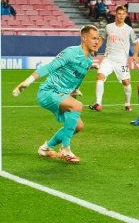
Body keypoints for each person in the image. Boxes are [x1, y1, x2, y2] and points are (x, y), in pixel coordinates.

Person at [12, 25, 100, 163]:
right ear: (84, 38)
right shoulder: (71, 52)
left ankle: (46, 148)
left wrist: (75, 90)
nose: (97, 41)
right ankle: (65, 148)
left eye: (98, 39)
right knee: (77, 106)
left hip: (61, 94)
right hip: (48, 91)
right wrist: (28, 81)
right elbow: (50, 66)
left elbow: (78, 78)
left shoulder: (88, 61)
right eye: (93, 38)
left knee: (78, 126)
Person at [89, 5, 139, 112]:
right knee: (100, 76)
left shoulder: (129, 29)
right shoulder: (109, 27)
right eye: (119, 14)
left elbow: (136, 44)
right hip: (108, 58)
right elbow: (102, 38)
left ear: (125, 15)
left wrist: (135, 56)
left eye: (123, 14)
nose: (121, 16)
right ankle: (98, 103)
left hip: (121, 61)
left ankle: (127, 103)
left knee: (126, 82)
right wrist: (96, 48)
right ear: (116, 14)